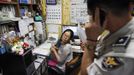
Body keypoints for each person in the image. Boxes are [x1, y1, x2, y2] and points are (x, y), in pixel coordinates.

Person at [81, 0, 134, 75]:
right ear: (130, 6)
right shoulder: (111, 31)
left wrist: (90, 41)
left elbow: (85, 73)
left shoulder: (125, 54)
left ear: (100, 14)